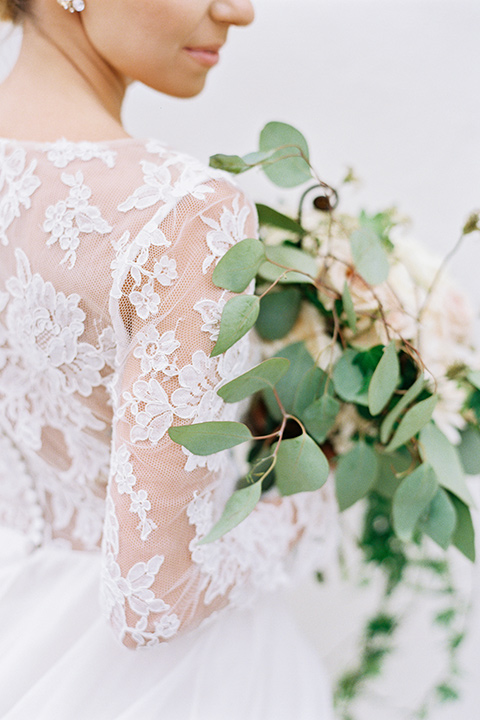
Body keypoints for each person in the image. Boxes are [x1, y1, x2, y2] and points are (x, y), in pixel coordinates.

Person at [0, 1, 337, 718]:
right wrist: (315, 491)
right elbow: (155, 596)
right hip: (161, 686)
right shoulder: (184, 217)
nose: (238, 11)